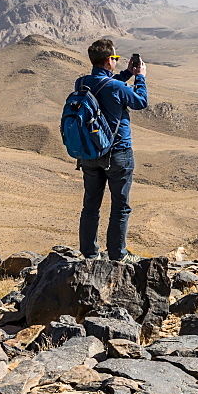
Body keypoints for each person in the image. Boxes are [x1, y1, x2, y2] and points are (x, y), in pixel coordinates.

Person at [78, 38, 148, 263]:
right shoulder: (116, 87)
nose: (116, 61)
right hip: (118, 154)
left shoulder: (81, 83)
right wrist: (140, 77)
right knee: (120, 207)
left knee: (90, 205)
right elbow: (140, 101)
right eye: (115, 58)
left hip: (89, 154)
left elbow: (105, 85)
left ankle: (90, 254)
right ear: (109, 60)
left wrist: (126, 74)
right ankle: (118, 255)